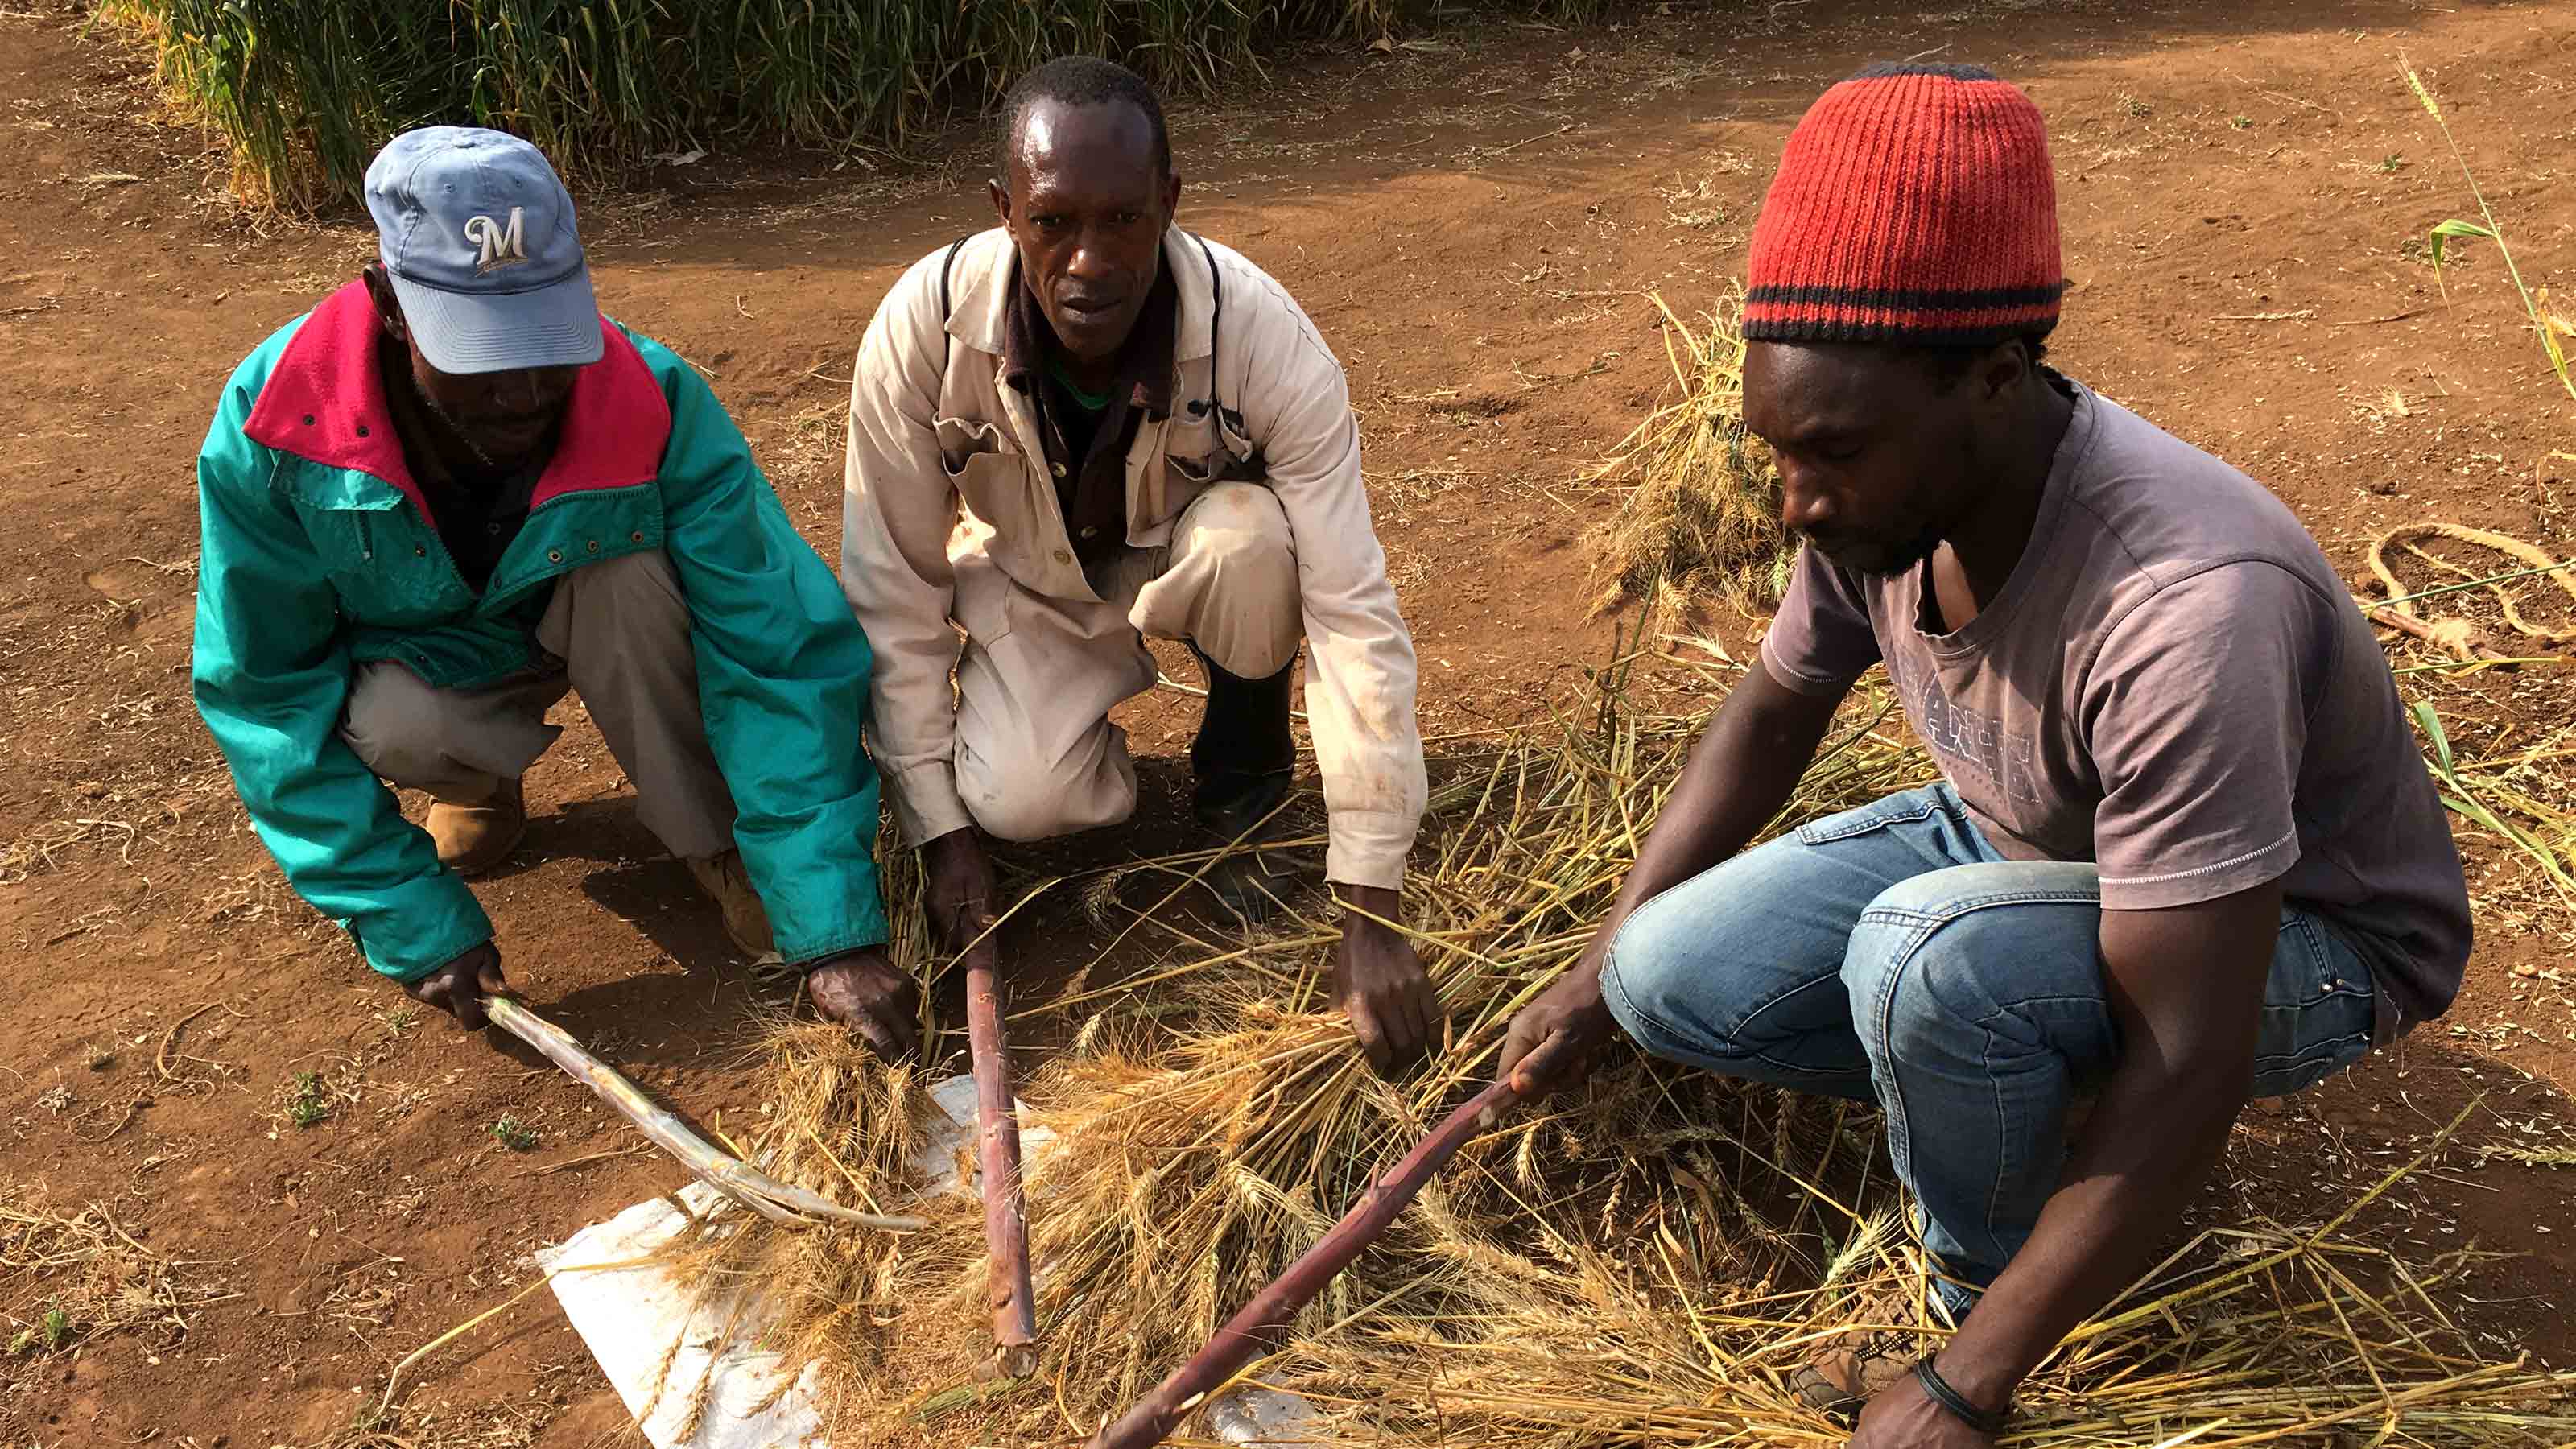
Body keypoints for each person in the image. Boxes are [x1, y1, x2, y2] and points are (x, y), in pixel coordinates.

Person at [1496, 63, 2471, 1447]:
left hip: (2309, 938)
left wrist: (1966, 1377)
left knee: (1930, 963)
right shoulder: (1876, 493)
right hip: (2037, 853)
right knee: (1668, 974)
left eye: (1826, 455)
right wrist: (1598, 962)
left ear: (1997, 380)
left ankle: (1995, 1285)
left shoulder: (2181, 602)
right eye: (1776, 452)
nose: (1793, 504)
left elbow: (2190, 1056)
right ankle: (2022, 1101)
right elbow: (1775, 707)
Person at [193, 126, 919, 1053]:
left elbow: (773, 645)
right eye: (482, 353)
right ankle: (481, 782)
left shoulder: (649, 398)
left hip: (605, 622)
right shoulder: (280, 426)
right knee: (394, 725)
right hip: (430, 659)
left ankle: (721, 848)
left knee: (626, 570)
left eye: (546, 341)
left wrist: (831, 923)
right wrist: (411, 917)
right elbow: (265, 692)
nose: (524, 390)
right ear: (390, 305)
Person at [841, 57, 1438, 1074]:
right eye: (1052, 222)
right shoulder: (923, 326)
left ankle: (1241, 781)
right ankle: (1078, 751)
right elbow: (891, 585)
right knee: (1022, 804)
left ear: (1170, 202)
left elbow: (1349, 606)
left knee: (1258, 541)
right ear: (1004, 213)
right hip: (1031, 584)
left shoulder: (1260, 335)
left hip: (1192, 552)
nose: (1087, 261)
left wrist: (1369, 900)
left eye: (1121, 220)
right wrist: (937, 829)